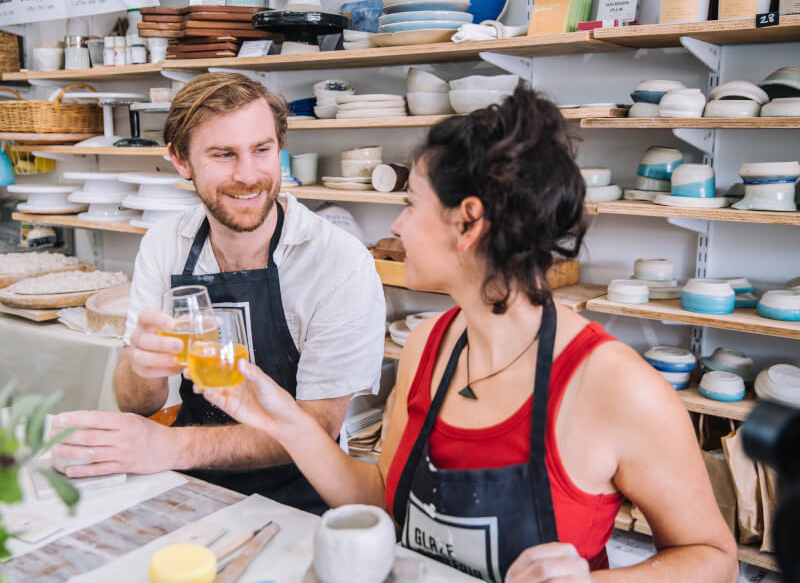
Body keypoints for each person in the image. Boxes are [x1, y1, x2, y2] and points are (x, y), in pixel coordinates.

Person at [196, 86, 739, 582]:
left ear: (469, 221)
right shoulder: (427, 347)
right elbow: (385, 500)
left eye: (411, 204)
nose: (396, 226)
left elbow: (713, 557)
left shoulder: (615, 386)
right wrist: (285, 420)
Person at [51, 72, 386, 515]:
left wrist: (168, 446)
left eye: (262, 150)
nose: (249, 176)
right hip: (182, 488)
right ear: (181, 160)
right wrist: (142, 364)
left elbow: (315, 428)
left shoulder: (337, 262)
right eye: (224, 154)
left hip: (299, 504)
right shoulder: (164, 244)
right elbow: (137, 402)